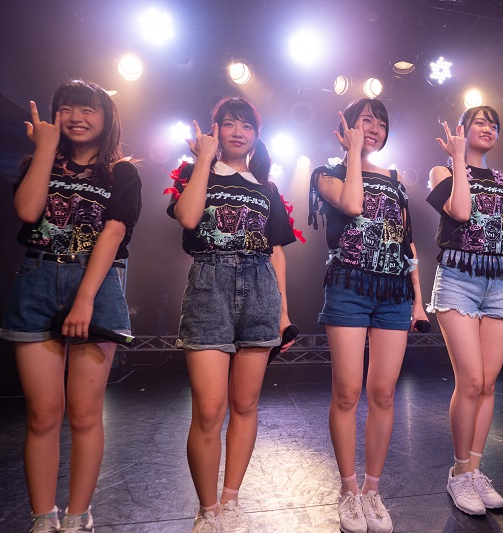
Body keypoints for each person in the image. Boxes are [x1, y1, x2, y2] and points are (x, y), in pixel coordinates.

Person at [0, 79, 142, 533]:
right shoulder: (38, 162)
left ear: (106, 117)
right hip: (36, 281)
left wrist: (84, 300)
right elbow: (27, 212)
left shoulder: (122, 173)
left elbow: (113, 233)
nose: (76, 117)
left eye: (87, 108)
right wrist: (45, 149)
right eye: (66, 108)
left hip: (94, 285)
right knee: (43, 414)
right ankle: (43, 518)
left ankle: (79, 517)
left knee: (83, 413)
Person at [166, 96, 298, 533]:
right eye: (229, 123)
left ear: (257, 135)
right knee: (209, 410)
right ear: (215, 130)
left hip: (260, 289)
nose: (238, 131)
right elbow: (188, 218)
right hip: (210, 286)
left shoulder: (267, 188)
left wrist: (283, 314)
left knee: (245, 405)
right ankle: (207, 511)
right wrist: (203, 160)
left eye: (246, 125)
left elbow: (277, 253)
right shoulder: (195, 173)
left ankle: (231, 500)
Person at [308, 98, 428, 533]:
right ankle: (348, 489)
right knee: (347, 392)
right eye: (365, 121)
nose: (374, 128)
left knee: (383, 394)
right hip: (349, 286)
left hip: (394, 292)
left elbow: (407, 243)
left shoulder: (395, 180)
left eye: (381, 123)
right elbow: (353, 204)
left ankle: (372, 491)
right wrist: (354, 154)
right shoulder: (327, 173)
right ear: (346, 126)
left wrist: (418, 300)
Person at [424, 106, 503, 515]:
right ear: (463, 129)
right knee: (470, 380)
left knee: (487, 383)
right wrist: (457, 158)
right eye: (480, 123)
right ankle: (458, 472)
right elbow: (461, 212)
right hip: (459, 278)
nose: (488, 129)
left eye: (494, 125)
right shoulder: (442, 170)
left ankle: (475, 471)